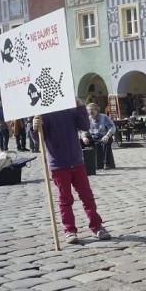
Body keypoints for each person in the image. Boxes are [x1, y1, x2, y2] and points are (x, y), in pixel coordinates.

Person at [32, 99, 111, 244]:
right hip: (58, 164)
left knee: (88, 197)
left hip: (77, 161)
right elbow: (38, 139)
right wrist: (34, 127)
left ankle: (97, 226)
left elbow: (85, 125)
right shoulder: (44, 111)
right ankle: (69, 230)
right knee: (65, 199)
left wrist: (80, 106)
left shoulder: (69, 108)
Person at [81, 103, 116, 170]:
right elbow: (84, 130)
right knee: (79, 142)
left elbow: (112, 127)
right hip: (93, 138)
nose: (91, 112)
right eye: (89, 110)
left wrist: (107, 135)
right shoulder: (87, 119)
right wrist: (84, 137)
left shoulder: (104, 117)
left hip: (103, 136)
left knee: (106, 142)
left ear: (97, 110)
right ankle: (81, 163)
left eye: (93, 109)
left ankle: (106, 163)